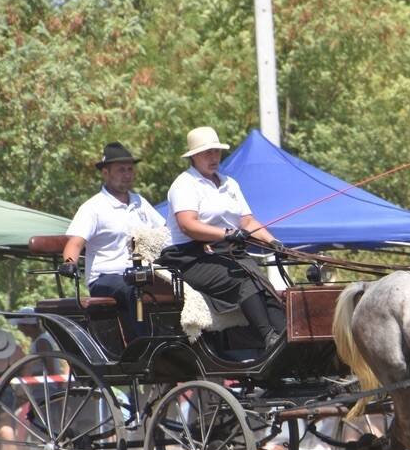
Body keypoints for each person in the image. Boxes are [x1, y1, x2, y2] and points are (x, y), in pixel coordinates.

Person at [157, 126, 286, 350]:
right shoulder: (184, 184)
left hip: (225, 252)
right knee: (242, 278)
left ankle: (286, 337)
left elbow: (247, 222)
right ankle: (267, 338)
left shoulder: (230, 183)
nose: (213, 157)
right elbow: (188, 225)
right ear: (194, 156)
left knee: (264, 283)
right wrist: (226, 234)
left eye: (216, 152)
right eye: (207, 153)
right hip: (189, 257)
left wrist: (272, 242)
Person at [61, 142, 167, 338]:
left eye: (130, 169)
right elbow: (75, 243)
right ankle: (144, 345)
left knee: (176, 285)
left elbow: (164, 234)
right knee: (133, 287)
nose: (127, 174)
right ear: (106, 173)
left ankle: (175, 342)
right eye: (120, 170)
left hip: (141, 273)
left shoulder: (140, 203)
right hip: (105, 277)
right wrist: (69, 263)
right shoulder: (93, 207)